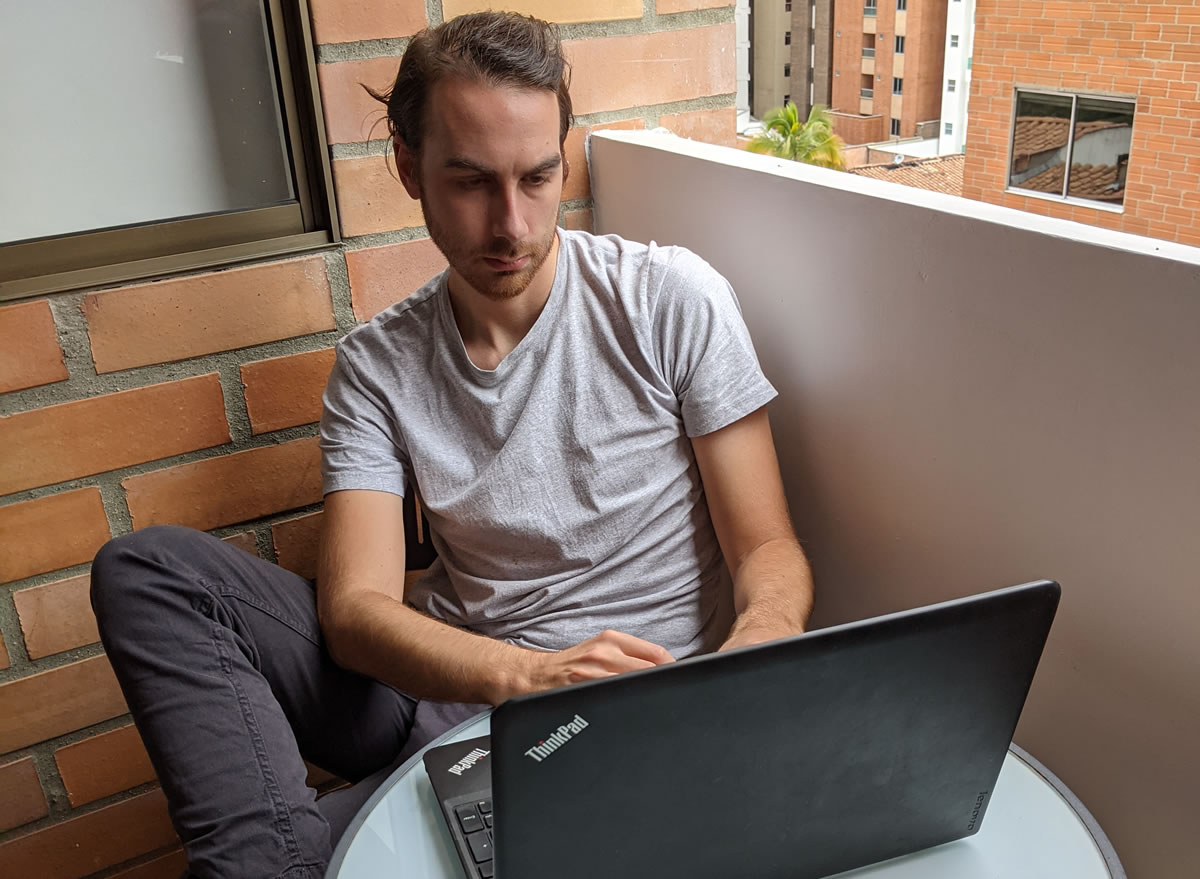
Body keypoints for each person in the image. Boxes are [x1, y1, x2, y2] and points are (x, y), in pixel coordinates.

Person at [91, 11, 813, 879]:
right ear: (409, 168)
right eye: (471, 182)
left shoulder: (669, 301)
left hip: (606, 728)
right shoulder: (376, 367)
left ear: (563, 155)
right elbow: (356, 614)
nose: (511, 222)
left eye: (537, 176)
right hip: (440, 688)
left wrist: (756, 647)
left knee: (315, 858)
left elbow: (768, 547)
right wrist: (526, 672)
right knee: (148, 573)